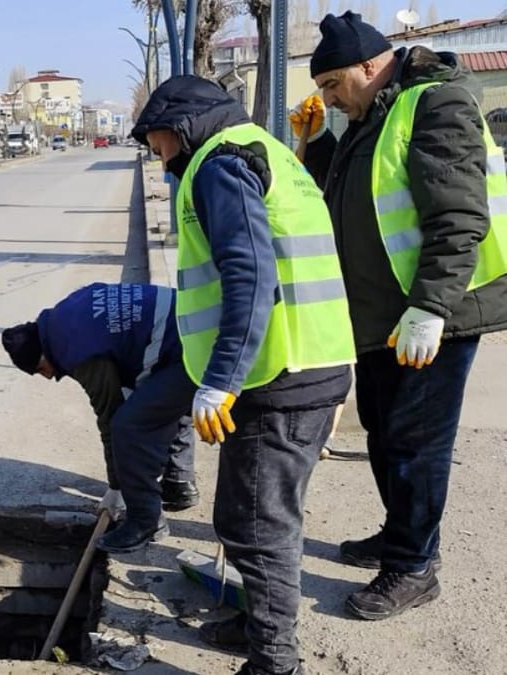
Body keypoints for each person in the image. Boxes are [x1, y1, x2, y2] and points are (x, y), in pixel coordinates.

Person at [133, 75, 356, 675]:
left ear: (179, 127)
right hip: (302, 364)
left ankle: (274, 661)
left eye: (158, 150)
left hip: (278, 374)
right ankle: (256, 624)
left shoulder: (220, 166)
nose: (160, 164)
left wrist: (221, 378)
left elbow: (250, 276)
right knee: (248, 513)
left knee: (258, 524)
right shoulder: (261, 148)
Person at [290, 11, 507, 620]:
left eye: (333, 85)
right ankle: (399, 533)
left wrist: (430, 307)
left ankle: (414, 566)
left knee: (415, 443)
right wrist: (321, 144)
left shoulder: (435, 105)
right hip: (381, 317)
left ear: (368, 65)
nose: (329, 98)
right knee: (384, 433)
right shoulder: (374, 113)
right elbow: (356, 196)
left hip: (433, 315)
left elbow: (459, 218)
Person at [0, 282, 199, 542]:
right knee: (170, 401)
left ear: (42, 353)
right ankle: (179, 483)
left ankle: (147, 520)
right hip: (192, 318)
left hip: (182, 343)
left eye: (40, 369)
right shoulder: (66, 313)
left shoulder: (77, 351)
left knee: (132, 425)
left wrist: (117, 487)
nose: (48, 377)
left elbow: (110, 416)